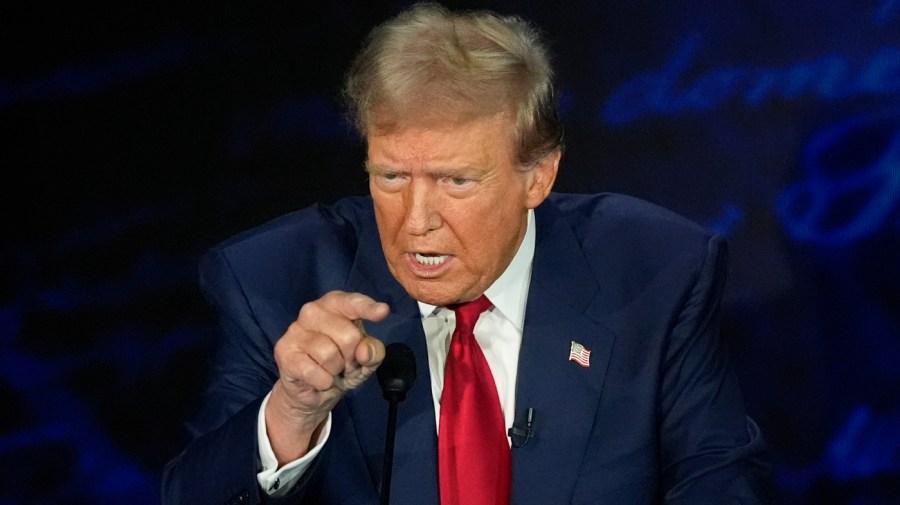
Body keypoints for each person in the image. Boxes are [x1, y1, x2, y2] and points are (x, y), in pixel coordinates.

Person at [161, 2, 773, 504]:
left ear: (537, 177)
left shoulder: (656, 271)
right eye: (392, 178)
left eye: (456, 181)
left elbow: (719, 481)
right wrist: (291, 413)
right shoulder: (273, 280)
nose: (416, 222)